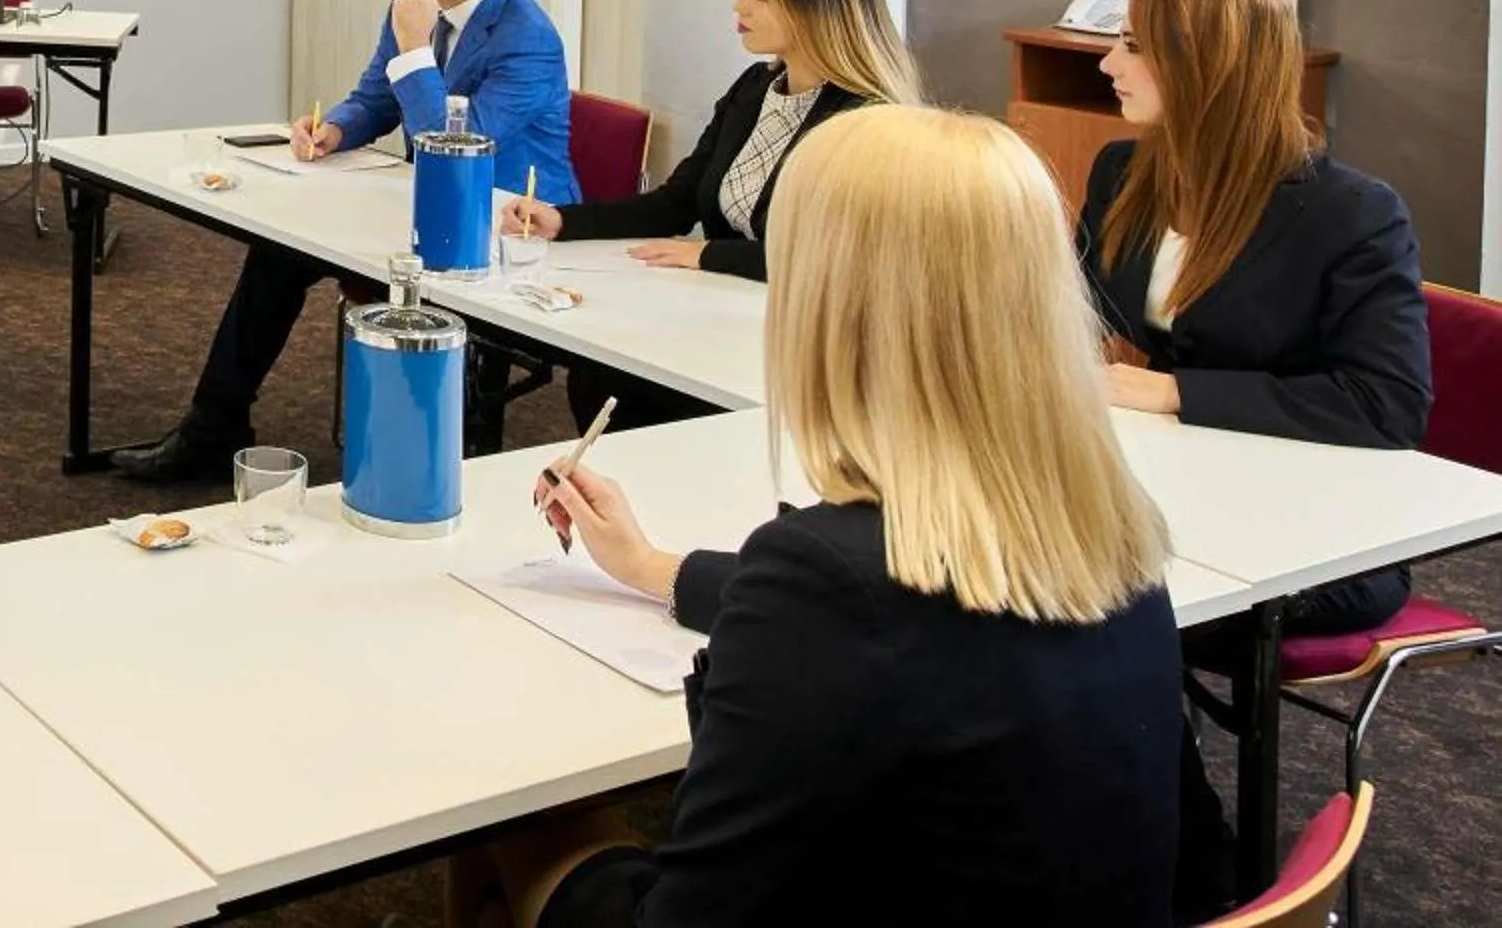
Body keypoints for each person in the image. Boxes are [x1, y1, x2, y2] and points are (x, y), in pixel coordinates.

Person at [459, 106, 1185, 928]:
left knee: (508, 806)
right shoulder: (1108, 530)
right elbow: (918, 593)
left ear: (832, 304)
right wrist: (653, 566)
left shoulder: (823, 578)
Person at [112, 0, 577, 485]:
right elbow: (377, 99)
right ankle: (213, 426)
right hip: (426, 208)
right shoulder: (412, 1)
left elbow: (456, 148)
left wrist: (414, 51)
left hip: (509, 229)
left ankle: (451, 464)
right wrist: (335, 128)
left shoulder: (528, 39)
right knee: (277, 253)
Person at [1082, 0, 1430, 641]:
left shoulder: (1351, 213)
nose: (1105, 62)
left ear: (1206, 65)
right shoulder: (1123, 172)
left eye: (1132, 45)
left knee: (1092, 599)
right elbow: (1075, 308)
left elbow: (1386, 404)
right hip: (1180, 482)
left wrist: (1177, 392)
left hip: (1317, 525)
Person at [504, 0, 920, 429]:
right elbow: (678, 201)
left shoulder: (865, 121)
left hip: (815, 337)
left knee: (641, 394)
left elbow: (829, 256)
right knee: (602, 372)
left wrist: (707, 254)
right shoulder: (756, 88)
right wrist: (562, 222)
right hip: (729, 313)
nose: (738, 4)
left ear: (813, 11)